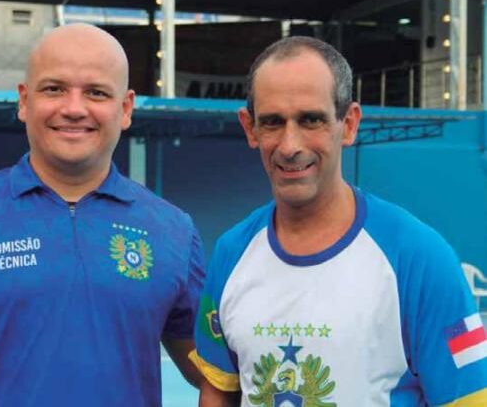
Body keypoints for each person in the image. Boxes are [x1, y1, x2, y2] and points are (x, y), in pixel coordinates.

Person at [0, 23, 204, 407]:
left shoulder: (174, 232)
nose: (74, 109)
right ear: (24, 101)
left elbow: (215, 374)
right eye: (54, 89)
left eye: (96, 92)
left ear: (125, 108)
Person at [190, 36, 487, 406]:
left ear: (348, 124)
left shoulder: (420, 257)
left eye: (311, 120)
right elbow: (218, 391)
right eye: (272, 122)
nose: (290, 146)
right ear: (250, 128)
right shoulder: (231, 253)